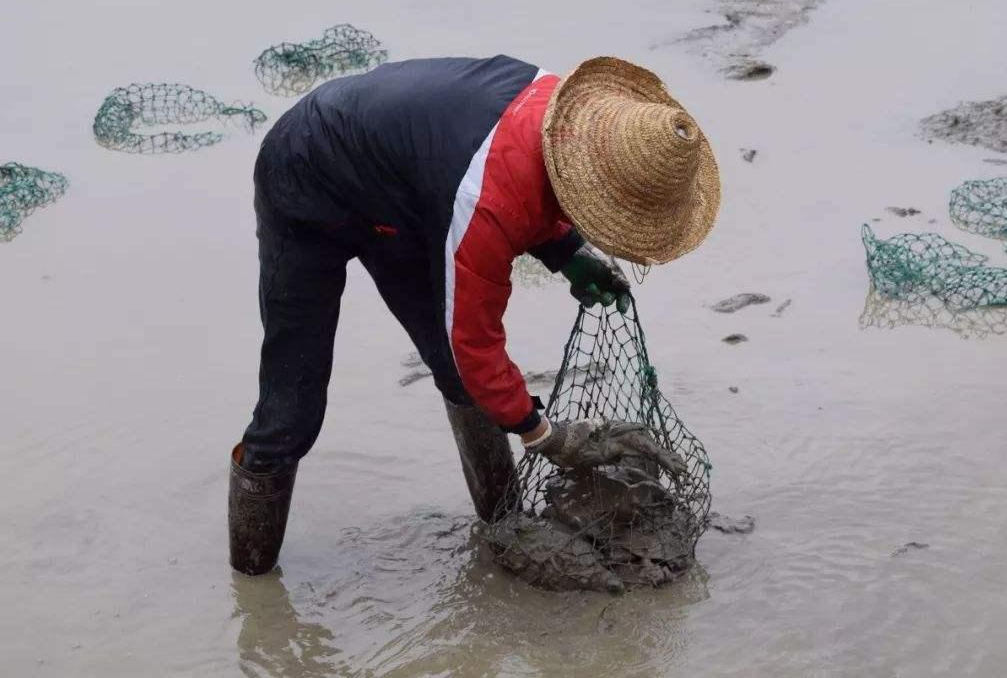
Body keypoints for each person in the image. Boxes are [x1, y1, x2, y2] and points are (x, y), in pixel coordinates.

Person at [228, 55, 721, 576]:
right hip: (305, 174)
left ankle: (502, 525)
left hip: (404, 195)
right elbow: (477, 345)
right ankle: (253, 587)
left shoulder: (565, 119)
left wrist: (567, 254)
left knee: (456, 376)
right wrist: (543, 434)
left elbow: (540, 185)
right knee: (292, 411)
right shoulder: (483, 205)